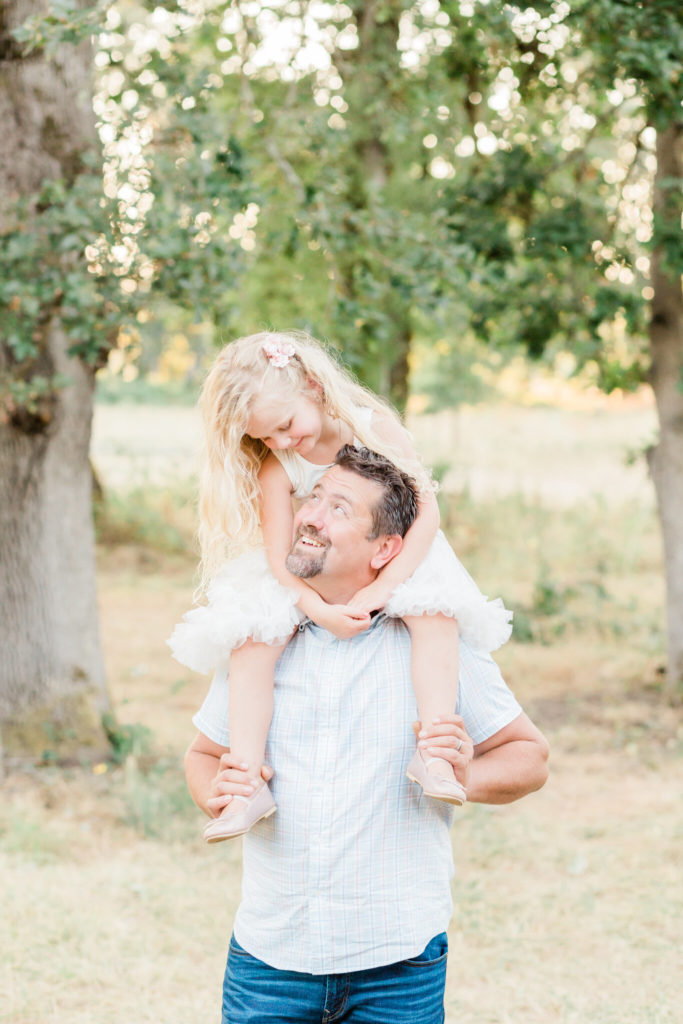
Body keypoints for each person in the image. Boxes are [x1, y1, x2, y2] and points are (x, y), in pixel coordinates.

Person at [185, 445, 549, 1024]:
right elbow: (203, 754)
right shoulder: (259, 639)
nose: (308, 515)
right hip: (269, 961)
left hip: (398, 968)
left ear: (387, 550)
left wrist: (465, 772)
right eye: (314, 498)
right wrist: (219, 789)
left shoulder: (436, 644)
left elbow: (530, 758)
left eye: (339, 508)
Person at [170, 330, 512, 841]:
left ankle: (436, 754)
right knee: (253, 642)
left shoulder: (371, 427)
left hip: (398, 552)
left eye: (285, 426)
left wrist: (384, 588)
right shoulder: (277, 466)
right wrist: (314, 608)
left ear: (312, 385)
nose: (282, 443)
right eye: (265, 438)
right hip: (300, 568)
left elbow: (427, 512)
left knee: (433, 616)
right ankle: (244, 784)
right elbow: (278, 556)